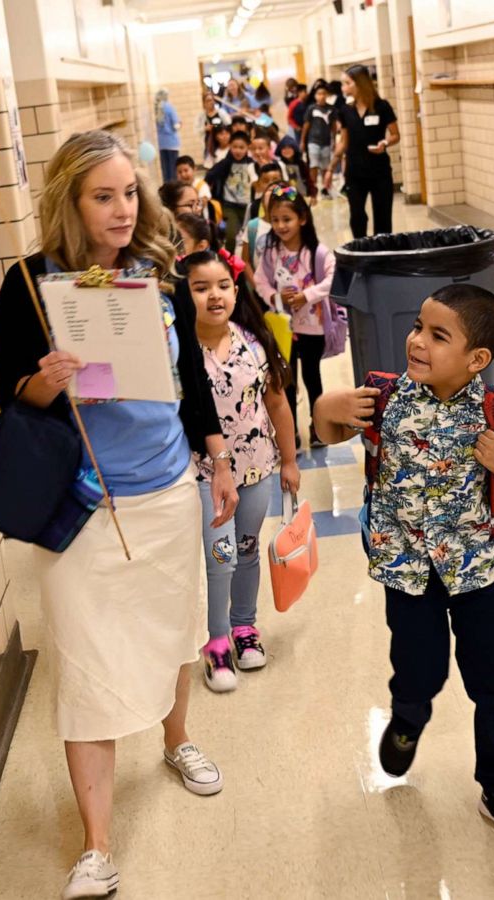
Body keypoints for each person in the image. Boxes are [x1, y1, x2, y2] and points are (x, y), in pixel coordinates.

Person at [0, 130, 240, 898]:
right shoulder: (30, 285)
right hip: (84, 505)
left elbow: (191, 374)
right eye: (105, 195)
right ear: (70, 200)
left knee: (174, 628)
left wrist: (218, 457)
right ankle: (97, 847)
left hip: (166, 492)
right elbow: (10, 395)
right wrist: (45, 381)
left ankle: (177, 739)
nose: (124, 208)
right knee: (88, 663)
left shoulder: (158, 274)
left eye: (130, 192)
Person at [312, 284, 494, 849]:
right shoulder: (385, 398)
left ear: (476, 359)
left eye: (439, 335)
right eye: (418, 327)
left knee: (493, 681)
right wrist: (324, 410)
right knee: (422, 668)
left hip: (479, 569)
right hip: (406, 570)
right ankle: (409, 716)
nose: (417, 341)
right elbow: (328, 431)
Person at [183, 250, 300, 693]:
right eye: (200, 288)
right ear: (184, 293)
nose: (214, 295)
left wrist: (288, 460)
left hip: (257, 471)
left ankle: (244, 628)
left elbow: (276, 404)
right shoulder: (180, 350)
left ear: (235, 289)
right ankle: (215, 642)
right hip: (205, 475)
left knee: (247, 549)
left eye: (222, 286)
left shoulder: (254, 343)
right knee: (221, 558)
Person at [253, 183, 334, 448]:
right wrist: (276, 298)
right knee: (285, 382)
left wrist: (307, 295)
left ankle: (318, 426)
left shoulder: (318, 252)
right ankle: (291, 436)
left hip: (313, 327)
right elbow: (260, 280)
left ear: (302, 218)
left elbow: (333, 280)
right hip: (283, 329)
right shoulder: (271, 252)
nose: (281, 225)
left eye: (286, 219)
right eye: (275, 220)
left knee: (313, 377)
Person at [329, 64, 399, 237]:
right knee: (357, 217)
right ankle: (361, 255)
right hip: (355, 172)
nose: (343, 87)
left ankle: (382, 257)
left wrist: (384, 143)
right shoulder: (345, 110)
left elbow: (395, 135)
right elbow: (343, 142)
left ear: (359, 83)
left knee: (383, 218)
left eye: (347, 83)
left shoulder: (382, 107)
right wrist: (330, 168)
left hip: (379, 171)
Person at [205, 129, 257, 254]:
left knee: (251, 237)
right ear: (230, 146)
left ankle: (249, 260)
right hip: (230, 206)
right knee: (231, 235)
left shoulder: (252, 164)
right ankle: (229, 260)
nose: (238, 150)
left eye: (241, 147)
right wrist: (206, 190)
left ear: (247, 148)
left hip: (248, 207)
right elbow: (210, 175)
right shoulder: (225, 163)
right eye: (234, 147)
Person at [304, 82, 337, 195]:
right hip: (313, 141)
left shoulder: (331, 109)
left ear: (327, 95)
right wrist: (302, 141)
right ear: (315, 95)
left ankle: (326, 188)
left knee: (325, 166)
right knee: (314, 165)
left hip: (326, 142)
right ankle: (313, 187)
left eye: (324, 93)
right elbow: (306, 125)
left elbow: (333, 126)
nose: (321, 96)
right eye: (319, 93)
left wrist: (335, 141)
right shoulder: (311, 108)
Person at [275, 135, 317, 203]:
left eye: (289, 148)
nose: (286, 150)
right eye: (284, 148)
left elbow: (309, 180)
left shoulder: (301, 164)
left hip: (303, 195)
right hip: (285, 198)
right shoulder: (277, 165)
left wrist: (313, 195)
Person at [154, 88, 181, 183]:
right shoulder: (169, 107)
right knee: (173, 169)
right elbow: (176, 125)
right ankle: (174, 189)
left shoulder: (156, 109)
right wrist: (180, 124)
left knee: (165, 170)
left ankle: (167, 189)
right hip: (172, 143)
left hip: (161, 144)